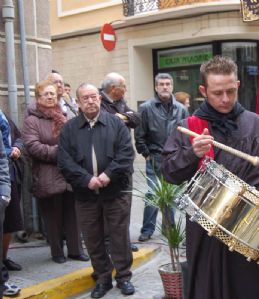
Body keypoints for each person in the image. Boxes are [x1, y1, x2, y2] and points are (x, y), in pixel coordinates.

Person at [161, 56, 259, 299]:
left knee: (255, 289)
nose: (225, 99)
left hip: (253, 223)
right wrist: (192, 154)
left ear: (238, 85)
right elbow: (169, 172)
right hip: (206, 230)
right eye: (217, 92)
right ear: (203, 90)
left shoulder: (256, 124)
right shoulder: (189, 126)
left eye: (230, 91)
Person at [57, 83, 135, 298]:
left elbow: (126, 154)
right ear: (78, 103)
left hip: (115, 191)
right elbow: (64, 162)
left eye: (94, 97)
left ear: (100, 99)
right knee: (93, 237)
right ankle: (102, 278)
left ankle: (124, 277)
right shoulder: (69, 129)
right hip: (85, 195)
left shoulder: (116, 124)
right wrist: (86, 179)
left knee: (119, 235)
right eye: (85, 98)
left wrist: (107, 175)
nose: (90, 101)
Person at [23, 80, 88, 264]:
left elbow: (75, 139)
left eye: (53, 93)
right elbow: (32, 146)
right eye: (46, 94)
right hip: (46, 173)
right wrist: (61, 151)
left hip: (69, 173)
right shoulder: (32, 120)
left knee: (73, 214)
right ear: (38, 98)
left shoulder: (63, 115)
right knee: (53, 217)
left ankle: (76, 250)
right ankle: (57, 252)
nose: (51, 97)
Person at [134, 73, 188, 242]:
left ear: (172, 86)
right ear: (156, 87)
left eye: (167, 84)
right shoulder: (146, 108)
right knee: (152, 194)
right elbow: (139, 135)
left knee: (171, 194)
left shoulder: (182, 109)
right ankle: (147, 229)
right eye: (161, 84)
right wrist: (146, 154)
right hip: (154, 157)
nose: (165, 87)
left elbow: (186, 134)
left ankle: (169, 227)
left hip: (174, 158)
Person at [99, 72, 140, 252]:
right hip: (107, 164)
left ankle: (123, 240)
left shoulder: (120, 103)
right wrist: (124, 117)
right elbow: (107, 123)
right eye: (123, 86)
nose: (126, 90)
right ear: (114, 89)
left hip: (125, 163)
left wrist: (121, 117)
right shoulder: (99, 102)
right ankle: (109, 242)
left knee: (126, 204)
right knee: (109, 206)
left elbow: (137, 118)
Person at [0, 112, 24, 271]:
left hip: (8, 175)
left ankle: (3, 259)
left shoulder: (4, 116)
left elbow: (20, 137)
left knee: (9, 221)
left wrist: (16, 147)